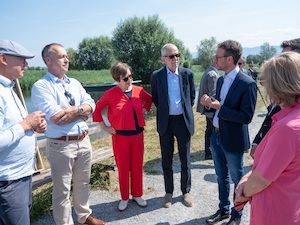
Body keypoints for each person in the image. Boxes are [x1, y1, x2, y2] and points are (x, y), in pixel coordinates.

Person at [31, 43, 106, 225]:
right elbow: (56, 117)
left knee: (82, 184)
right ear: (48, 60)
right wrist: (82, 113)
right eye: (62, 56)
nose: (67, 60)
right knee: (62, 191)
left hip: (83, 140)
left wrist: (75, 110)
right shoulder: (41, 86)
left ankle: (83, 215)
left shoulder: (74, 83)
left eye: (67, 56)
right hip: (61, 145)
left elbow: (91, 104)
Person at [235, 52, 300, 225]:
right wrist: (249, 176)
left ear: (278, 85)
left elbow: (262, 179)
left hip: (275, 213)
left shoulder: (287, 128)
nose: (264, 87)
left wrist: (243, 190)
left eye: (266, 82)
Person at [200, 40, 257, 225]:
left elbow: (246, 117)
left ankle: (236, 215)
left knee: (237, 180)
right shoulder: (222, 78)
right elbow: (220, 105)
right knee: (220, 176)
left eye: (218, 56)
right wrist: (210, 102)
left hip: (233, 140)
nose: (215, 59)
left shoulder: (247, 84)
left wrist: (219, 107)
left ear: (230, 59)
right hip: (216, 135)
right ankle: (223, 210)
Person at [93, 62, 152, 211]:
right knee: (123, 168)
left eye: (131, 76)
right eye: (126, 78)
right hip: (120, 138)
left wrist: (145, 109)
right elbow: (96, 110)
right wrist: (105, 127)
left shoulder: (139, 91)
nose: (130, 80)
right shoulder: (110, 94)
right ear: (117, 79)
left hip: (138, 136)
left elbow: (149, 99)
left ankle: (137, 195)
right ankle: (124, 197)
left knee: (137, 166)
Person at [0, 40, 47, 225]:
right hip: (8, 181)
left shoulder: (9, 87)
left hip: (20, 176)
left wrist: (33, 126)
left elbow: (12, 126)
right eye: (22, 59)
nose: (26, 64)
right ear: (3, 59)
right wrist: (26, 124)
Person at [150, 43, 195, 208]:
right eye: (171, 56)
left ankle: (186, 191)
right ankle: (168, 192)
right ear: (163, 59)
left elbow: (191, 96)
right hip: (166, 122)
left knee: (185, 160)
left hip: (183, 122)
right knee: (166, 160)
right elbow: (156, 98)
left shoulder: (187, 74)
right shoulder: (156, 76)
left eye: (177, 55)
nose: (175, 59)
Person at [249, 38, 300, 159]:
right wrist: (258, 141)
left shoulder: (289, 124)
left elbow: (262, 177)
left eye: (285, 59)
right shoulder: (284, 97)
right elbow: (269, 119)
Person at [196, 57, 219, 160]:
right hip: (210, 109)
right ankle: (209, 152)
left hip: (207, 108)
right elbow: (213, 94)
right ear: (216, 61)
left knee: (209, 129)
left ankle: (208, 151)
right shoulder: (213, 75)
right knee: (211, 130)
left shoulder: (209, 72)